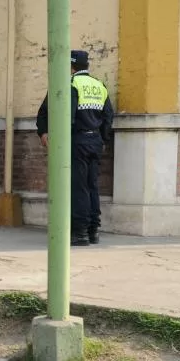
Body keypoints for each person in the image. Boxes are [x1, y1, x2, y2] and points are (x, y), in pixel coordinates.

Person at [36, 50, 114, 246]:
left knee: (78, 187)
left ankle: (80, 233)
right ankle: (93, 230)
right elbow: (108, 117)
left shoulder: (68, 84)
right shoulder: (99, 85)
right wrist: (102, 139)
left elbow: (65, 117)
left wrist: (47, 134)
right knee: (92, 185)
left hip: (76, 141)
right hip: (95, 141)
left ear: (70, 66)